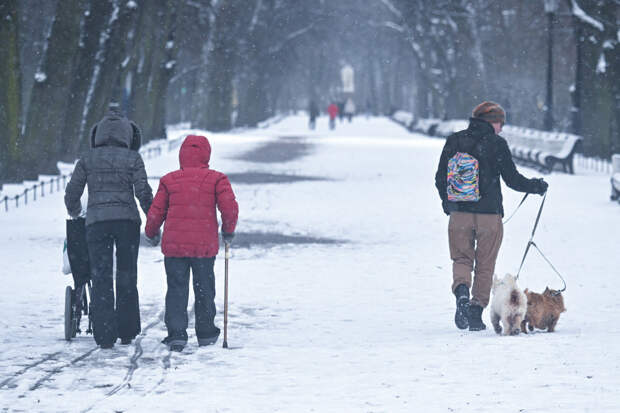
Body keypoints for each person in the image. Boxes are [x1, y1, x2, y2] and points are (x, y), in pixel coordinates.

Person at [434, 101, 548, 332]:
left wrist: (449, 204)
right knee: (486, 265)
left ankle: (462, 294)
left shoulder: (455, 140)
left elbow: (440, 178)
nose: (502, 128)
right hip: (489, 215)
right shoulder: (496, 144)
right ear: (491, 121)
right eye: (500, 123)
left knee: (461, 260)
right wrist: (536, 186)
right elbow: (512, 179)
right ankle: (476, 312)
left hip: (460, 213)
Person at [65, 102, 153, 349]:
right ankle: (126, 329)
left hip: (97, 224)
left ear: (98, 134)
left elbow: (72, 194)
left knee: (101, 276)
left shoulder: (87, 159)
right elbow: (143, 192)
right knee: (127, 275)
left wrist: (76, 212)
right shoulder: (133, 158)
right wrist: (153, 221)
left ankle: (104, 335)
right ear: (128, 135)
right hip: (127, 223)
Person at [145, 135, 238, 352]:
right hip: (203, 246)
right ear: (207, 154)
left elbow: (156, 212)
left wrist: (151, 232)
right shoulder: (217, 179)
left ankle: (177, 334)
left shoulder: (169, 180)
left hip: (175, 247)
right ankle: (205, 333)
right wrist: (228, 231)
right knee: (204, 288)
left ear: (181, 155)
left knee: (176, 289)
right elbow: (229, 208)